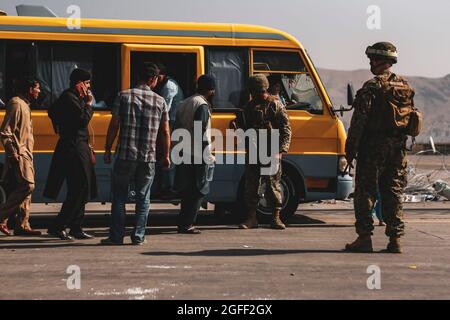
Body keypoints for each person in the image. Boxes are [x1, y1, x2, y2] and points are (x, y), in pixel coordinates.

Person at [344, 42, 413, 253]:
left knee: (365, 191)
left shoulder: (373, 87)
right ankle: (395, 240)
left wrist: (350, 149)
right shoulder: (404, 86)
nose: (370, 63)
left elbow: (359, 121)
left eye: (372, 59)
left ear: (381, 61)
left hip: (373, 148)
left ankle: (364, 238)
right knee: (393, 191)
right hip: (398, 148)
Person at [101, 63, 170, 245]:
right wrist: (166, 155)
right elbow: (165, 132)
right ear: (152, 79)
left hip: (125, 154)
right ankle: (138, 237)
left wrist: (107, 148)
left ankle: (116, 237)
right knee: (143, 197)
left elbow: (114, 125)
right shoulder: (160, 101)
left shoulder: (123, 96)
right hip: (148, 157)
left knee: (119, 196)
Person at [44, 68, 98, 241]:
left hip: (79, 147)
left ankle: (76, 226)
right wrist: (89, 104)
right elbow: (82, 120)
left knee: (84, 188)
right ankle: (58, 226)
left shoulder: (74, 98)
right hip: (73, 148)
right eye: (87, 83)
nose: (89, 87)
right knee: (79, 188)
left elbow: (52, 111)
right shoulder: (69, 97)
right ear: (79, 84)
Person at [238, 74, 292, 230]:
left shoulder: (275, 105)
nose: (254, 94)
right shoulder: (249, 106)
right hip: (255, 149)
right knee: (251, 185)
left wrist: (281, 151)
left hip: (271, 149)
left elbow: (286, 130)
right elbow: (246, 128)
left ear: (263, 89)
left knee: (272, 184)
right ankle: (251, 218)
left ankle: (276, 217)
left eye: (256, 91)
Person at [173, 75, 216, 234]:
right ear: (210, 90)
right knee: (199, 189)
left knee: (187, 189)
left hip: (184, 150)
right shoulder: (202, 105)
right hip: (197, 153)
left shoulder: (185, 102)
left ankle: (182, 222)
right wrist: (206, 153)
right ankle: (188, 223)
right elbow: (200, 132)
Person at [0, 78, 41, 236]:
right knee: (28, 185)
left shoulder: (25, 105)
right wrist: (12, 152)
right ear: (30, 89)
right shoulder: (16, 104)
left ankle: (22, 224)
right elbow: (6, 131)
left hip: (27, 153)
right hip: (20, 153)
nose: (39, 91)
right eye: (37, 88)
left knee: (25, 190)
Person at [154, 63, 184, 196]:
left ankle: (168, 187)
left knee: (168, 153)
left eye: (157, 76)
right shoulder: (164, 84)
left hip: (171, 123)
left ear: (163, 75)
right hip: (168, 121)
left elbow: (164, 107)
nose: (155, 78)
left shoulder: (169, 86)